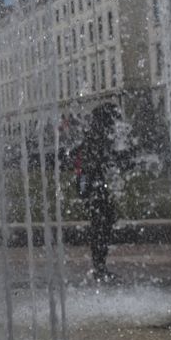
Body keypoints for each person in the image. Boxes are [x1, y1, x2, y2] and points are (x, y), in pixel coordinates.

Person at [73, 104, 120, 282]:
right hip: (93, 186)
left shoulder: (97, 135)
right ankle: (99, 267)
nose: (113, 124)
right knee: (101, 223)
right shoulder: (95, 137)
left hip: (93, 185)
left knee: (104, 221)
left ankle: (100, 265)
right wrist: (85, 191)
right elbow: (87, 166)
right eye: (111, 119)